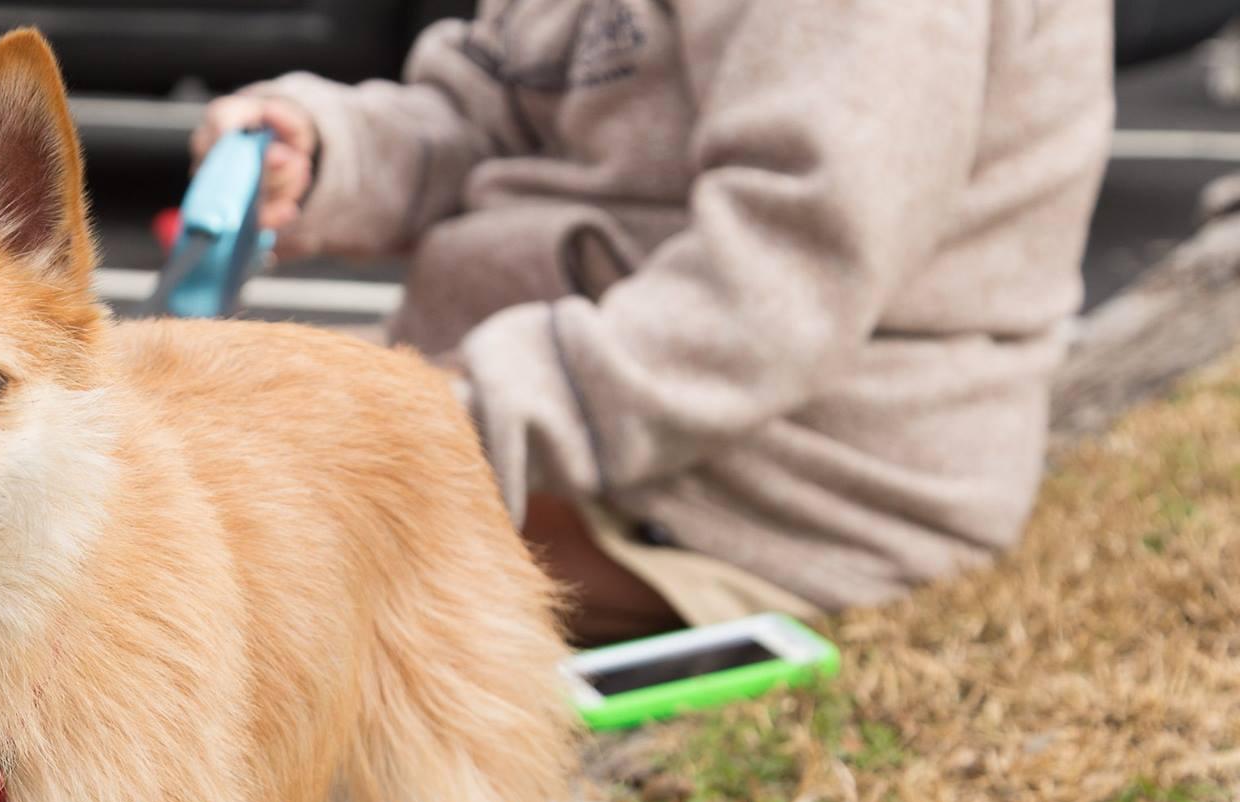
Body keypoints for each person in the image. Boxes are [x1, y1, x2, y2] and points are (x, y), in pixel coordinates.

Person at [195, 1, 1115, 644]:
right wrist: (329, 147)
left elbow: (777, 290)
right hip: (572, 410)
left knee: (236, 569)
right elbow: (489, 108)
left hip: (777, 476)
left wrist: (433, 421)